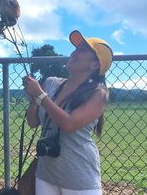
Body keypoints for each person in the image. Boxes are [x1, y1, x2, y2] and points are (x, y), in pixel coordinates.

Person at [22, 30, 113, 195]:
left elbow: (69, 124)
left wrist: (40, 95)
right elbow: (33, 122)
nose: (74, 52)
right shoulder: (51, 83)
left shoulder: (98, 94)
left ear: (94, 65)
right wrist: (33, 100)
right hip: (45, 173)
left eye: (82, 49)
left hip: (78, 177)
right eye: (76, 48)